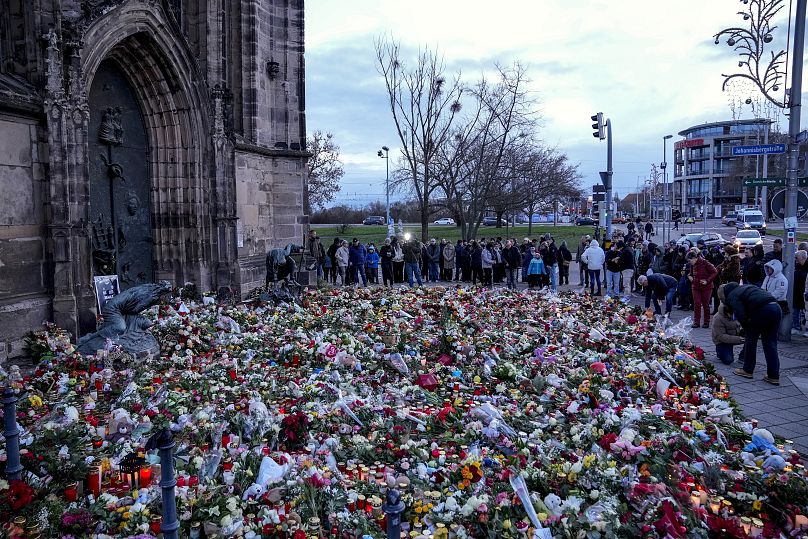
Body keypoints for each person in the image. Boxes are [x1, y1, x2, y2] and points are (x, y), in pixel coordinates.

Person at [723, 283, 782, 385]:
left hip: (762, 310)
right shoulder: (747, 287)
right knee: (770, 343)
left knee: (751, 340)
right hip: (776, 307)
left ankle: (747, 369)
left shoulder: (732, 295)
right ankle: (773, 376)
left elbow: (740, 313)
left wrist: (746, 329)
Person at [687, 250, 718, 328]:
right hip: (695, 286)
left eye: (690, 260)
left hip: (706, 287)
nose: (689, 262)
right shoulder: (692, 265)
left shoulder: (705, 263)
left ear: (694, 258)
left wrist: (707, 281)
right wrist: (689, 276)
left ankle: (706, 322)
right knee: (697, 303)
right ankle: (696, 322)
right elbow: (690, 273)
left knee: (705, 304)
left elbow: (714, 272)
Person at [793, 250, 808, 336]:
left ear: (803, 258)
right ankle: (796, 326)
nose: (796, 260)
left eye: (797, 258)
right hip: (797, 291)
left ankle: (806, 329)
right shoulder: (797, 265)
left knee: (806, 311)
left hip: (804, 291)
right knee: (796, 310)